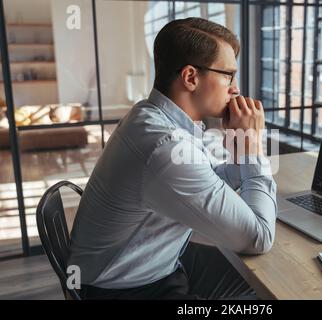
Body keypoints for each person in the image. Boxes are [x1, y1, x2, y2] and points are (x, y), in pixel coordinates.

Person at [68, 17, 277, 300]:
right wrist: (252, 149)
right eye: (228, 75)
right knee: (269, 293)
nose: (235, 88)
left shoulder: (149, 115)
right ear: (191, 77)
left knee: (257, 280)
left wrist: (245, 157)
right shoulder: (165, 146)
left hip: (153, 266)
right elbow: (259, 237)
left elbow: (208, 181)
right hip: (128, 291)